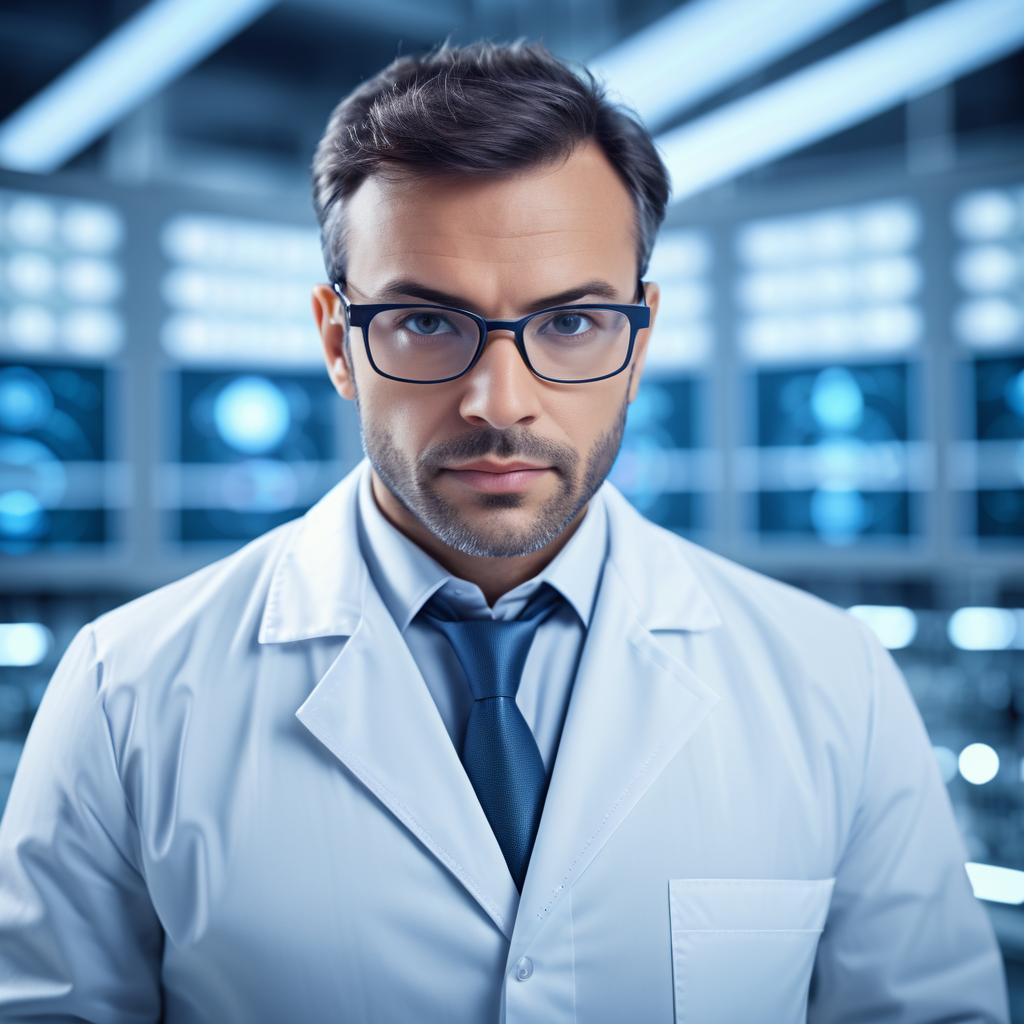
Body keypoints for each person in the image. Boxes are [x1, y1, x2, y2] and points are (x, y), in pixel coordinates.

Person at [0, 37, 1009, 1024]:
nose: (499, 400)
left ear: (638, 339)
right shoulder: (126, 692)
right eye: (427, 323)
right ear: (336, 342)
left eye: (569, 323)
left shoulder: (831, 682)